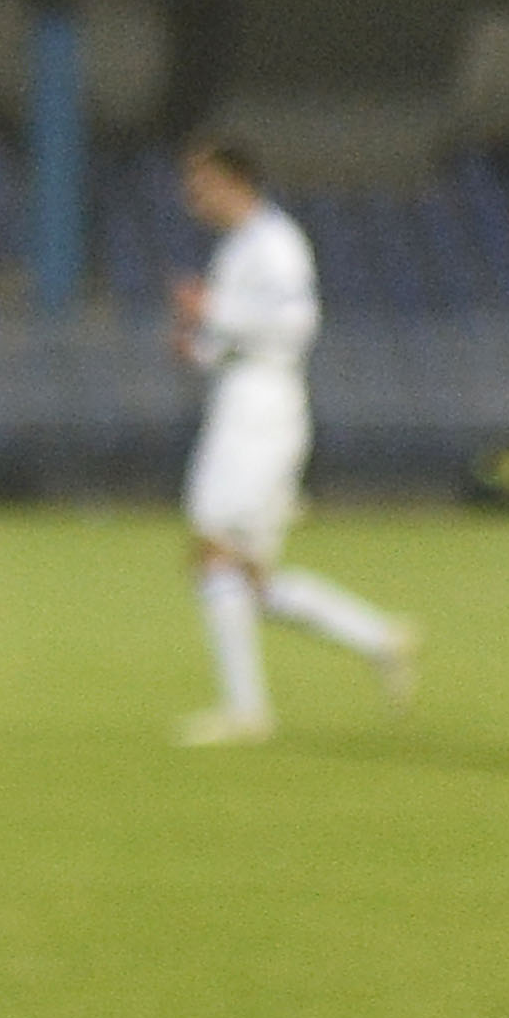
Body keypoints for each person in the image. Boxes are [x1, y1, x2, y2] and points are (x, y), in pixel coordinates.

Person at [167, 139, 415, 746]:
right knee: (243, 572)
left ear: (233, 182)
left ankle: (247, 712)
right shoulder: (241, 246)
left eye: (200, 184)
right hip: (240, 400)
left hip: (261, 410)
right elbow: (240, 335)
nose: (191, 197)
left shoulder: (276, 243)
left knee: (215, 550)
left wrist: (213, 309)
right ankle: (380, 639)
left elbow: (296, 324)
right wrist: (199, 347)